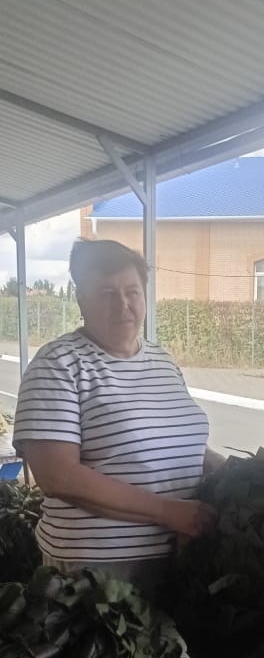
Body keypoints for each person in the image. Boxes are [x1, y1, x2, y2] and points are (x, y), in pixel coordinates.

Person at [14, 239, 220, 598]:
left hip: (178, 554)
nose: (122, 305)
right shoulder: (58, 364)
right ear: (81, 301)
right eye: (106, 293)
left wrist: (235, 469)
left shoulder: (162, 361)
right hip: (98, 574)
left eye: (132, 292)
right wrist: (167, 511)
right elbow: (58, 476)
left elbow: (177, 443)